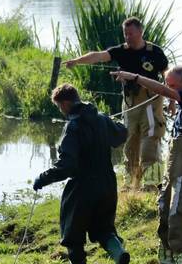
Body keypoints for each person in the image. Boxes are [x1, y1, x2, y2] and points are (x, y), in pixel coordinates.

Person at [110, 67, 182, 264]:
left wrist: (135, 77)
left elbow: (164, 91)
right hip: (174, 169)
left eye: (171, 86)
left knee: (180, 215)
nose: (166, 92)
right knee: (164, 211)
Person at [32, 84, 131, 264]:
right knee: (103, 228)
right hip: (107, 183)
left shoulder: (73, 127)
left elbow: (67, 166)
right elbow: (121, 135)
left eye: (60, 107)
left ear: (66, 104)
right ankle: (119, 253)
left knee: (73, 235)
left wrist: (42, 178)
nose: (61, 111)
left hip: (83, 188)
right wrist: (112, 123)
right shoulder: (102, 119)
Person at [64, 18, 169, 189]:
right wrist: (76, 61)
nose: (127, 37)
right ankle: (131, 184)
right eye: (125, 34)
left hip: (151, 102)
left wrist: (171, 99)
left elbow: (167, 74)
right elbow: (98, 56)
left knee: (150, 143)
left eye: (131, 33)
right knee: (129, 143)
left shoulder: (154, 51)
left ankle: (153, 185)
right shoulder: (121, 50)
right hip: (129, 102)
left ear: (140, 32)